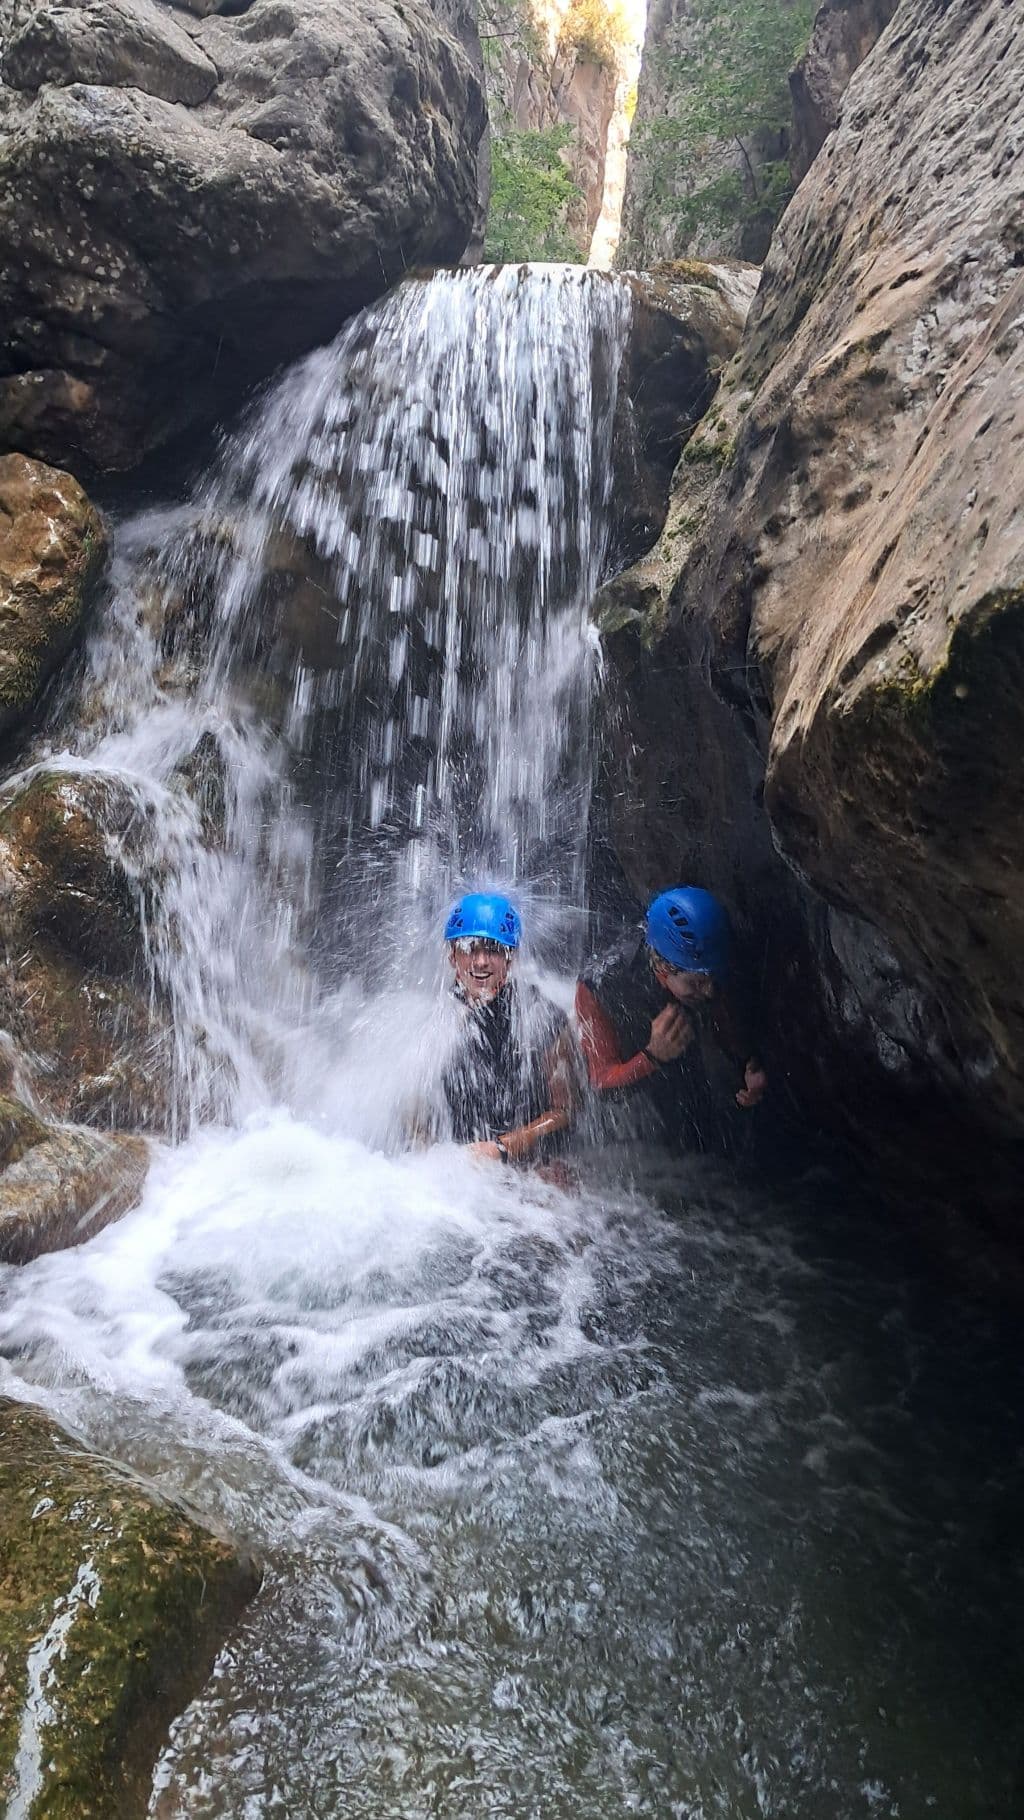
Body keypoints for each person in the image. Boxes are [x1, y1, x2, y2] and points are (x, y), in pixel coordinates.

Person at [575, 885, 766, 1152]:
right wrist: (652, 1056)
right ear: (664, 970)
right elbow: (602, 1084)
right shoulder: (600, 984)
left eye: (713, 978)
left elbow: (737, 1021)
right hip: (639, 1057)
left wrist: (751, 1061)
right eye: (697, 983)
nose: (709, 990)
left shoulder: (717, 960)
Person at [436, 891, 577, 1167]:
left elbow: (567, 1110)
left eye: (492, 949)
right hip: (458, 1169)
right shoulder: (435, 1019)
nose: (480, 962)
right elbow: (415, 1107)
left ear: (510, 958)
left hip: (529, 1164)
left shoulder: (541, 1015)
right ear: (453, 956)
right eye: (469, 948)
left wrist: (506, 1146)